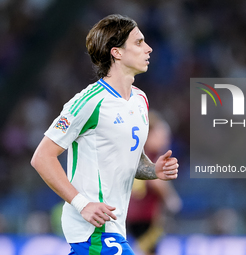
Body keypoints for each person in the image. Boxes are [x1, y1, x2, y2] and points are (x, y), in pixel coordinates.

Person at [30, 14, 179, 255]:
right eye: (139, 42)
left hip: (114, 230)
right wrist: (82, 205)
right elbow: (42, 157)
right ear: (117, 52)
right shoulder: (89, 102)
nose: (149, 48)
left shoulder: (140, 100)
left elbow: (131, 159)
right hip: (95, 232)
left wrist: (154, 170)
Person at [127, 110, 182, 255]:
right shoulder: (152, 157)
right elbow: (156, 182)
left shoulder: (136, 154)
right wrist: (170, 198)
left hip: (132, 214)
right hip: (146, 216)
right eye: (162, 136)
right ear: (149, 135)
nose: (166, 141)